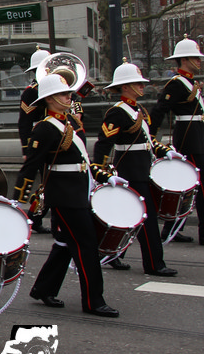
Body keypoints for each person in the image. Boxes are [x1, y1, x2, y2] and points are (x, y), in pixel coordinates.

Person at [13, 73, 122, 317]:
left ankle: (43, 288)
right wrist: (18, 200)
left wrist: (105, 177)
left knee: (65, 243)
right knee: (86, 245)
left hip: (79, 189)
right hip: (64, 196)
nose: (68, 97)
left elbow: (82, 160)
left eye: (68, 93)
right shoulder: (44, 128)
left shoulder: (69, 121)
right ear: (50, 99)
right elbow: (31, 166)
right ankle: (93, 301)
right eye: (63, 94)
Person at [93, 60, 180, 276]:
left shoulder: (139, 109)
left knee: (127, 217)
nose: (142, 86)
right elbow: (103, 144)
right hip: (130, 171)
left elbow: (148, 141)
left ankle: (113, 254)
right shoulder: (117, 112)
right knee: (146, 220)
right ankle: (154, 264)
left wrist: (164, 151)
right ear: (125, 86)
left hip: (143, 169)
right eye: (137, 83)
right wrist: (99, 173)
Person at [149, 36, 204, 247]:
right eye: (195, 58)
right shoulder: (177, 84)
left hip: (196, 134)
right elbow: (159, 110)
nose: (199, 61)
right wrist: (151, 137)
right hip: (189, 137)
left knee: (185, 185)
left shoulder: (189, 82)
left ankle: (172, 229)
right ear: (184, 60)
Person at [18, 48, 52, 234]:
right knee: (47, 183)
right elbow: (24, 123)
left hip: (62, 138)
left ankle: (37, 217)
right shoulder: (31, 93)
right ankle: (34, 217)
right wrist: (26, 149)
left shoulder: (62, 86)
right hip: (42, 141)